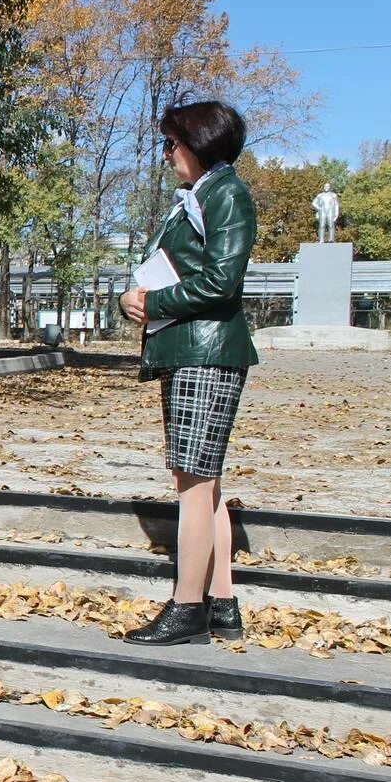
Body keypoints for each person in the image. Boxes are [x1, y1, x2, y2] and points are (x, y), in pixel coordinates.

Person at [118, 101, 260, 646]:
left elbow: (223, 282)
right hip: (192, 350)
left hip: (207, 353)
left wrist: (152, 302)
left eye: (172, 144)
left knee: (194, 484)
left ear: (198, 142)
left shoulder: (225, 193)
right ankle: (222, 602)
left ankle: (187, 608)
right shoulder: (202, 196)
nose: (167, 154)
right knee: (206, 483)